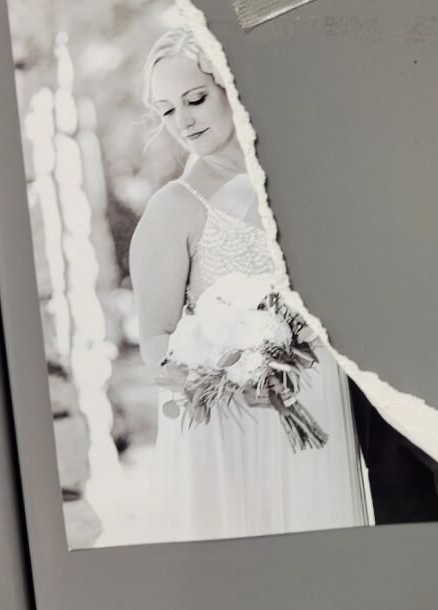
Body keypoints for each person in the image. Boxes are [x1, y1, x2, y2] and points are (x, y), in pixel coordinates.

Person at [129, 27, 371, 541]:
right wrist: (228, 373)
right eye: (168, 110)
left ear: (228, 84)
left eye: (195, 99)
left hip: (317, 402)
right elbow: (153, 338)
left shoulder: (300, 178)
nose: (184, 121)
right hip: (232, 429)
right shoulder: (174, 209)